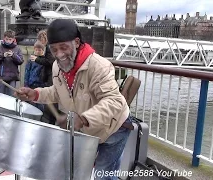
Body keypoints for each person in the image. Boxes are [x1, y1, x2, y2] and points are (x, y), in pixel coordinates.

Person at [14, 19, 133, 180]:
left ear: (76, 42)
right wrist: (35, 94)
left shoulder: (98, 66)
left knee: (103, 175)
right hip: (88, 129)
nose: (59, 54)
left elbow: (114, 101)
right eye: (54, 49)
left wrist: (83, 119)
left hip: (114, 128)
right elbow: (58, 92)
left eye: (64, 47)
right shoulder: (57, 66)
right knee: (76, 170)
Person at [31, 29, 57, 125]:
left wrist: (37, 59)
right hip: (51, 75)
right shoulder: (50, 46)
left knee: (51, 100)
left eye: (40, 39)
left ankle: (50, 121)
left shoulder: (50, 47)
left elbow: (50, 62)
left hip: (52, 76)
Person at [0, 30, 23, 96]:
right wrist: (2, 55)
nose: (8, 41)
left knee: (11, 96)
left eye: (10, 39)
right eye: (7, 39)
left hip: (12, 76)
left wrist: (13, 55)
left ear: (13, 39)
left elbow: (20, 61)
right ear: (4, 38)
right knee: (0, 95)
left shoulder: (17, 48)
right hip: (2, 76)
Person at [24, 41, 46, 111]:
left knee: (40, 104)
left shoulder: (44, 61)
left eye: (39, 50)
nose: (38, 52)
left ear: (43, 50)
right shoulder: (31, 61)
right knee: (31, 103)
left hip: (41, 85)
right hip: (31, 84)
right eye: (36, 50)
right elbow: (27, 72)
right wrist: (26, 84)